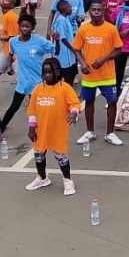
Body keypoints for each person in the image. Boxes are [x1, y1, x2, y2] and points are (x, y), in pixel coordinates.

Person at [0, 14, 54, 143]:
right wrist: (10, 67)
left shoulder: (39, 41)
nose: (24, 29)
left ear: (32, 28)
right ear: (19, 27)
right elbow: (10, 53)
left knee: (37, 109)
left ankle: (42, 130)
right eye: (22, 26)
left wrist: (57, 41)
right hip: (23, 82)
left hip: (37, 82)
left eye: (27, 26)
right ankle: (0, 128)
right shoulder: (14, 41)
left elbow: (54, 50)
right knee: (14, 107)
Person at [24, 58, 81, 196]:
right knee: (39, 155)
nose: (47, 75)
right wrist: (31, 128)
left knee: (61, 157)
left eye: (50, 72)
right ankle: (42, 178)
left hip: (57, 131)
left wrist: (74, 113)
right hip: (40, 130)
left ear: (58, 72)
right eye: (45, 72)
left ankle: (68, 180)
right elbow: (32, 111)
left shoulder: (65, 88)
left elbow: (74, 103)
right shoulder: (38, 89)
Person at [73, 1, 124, 146]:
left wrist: (104, 59)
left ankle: (110, 133)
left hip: (107, 74)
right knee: (89, 101)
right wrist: (83, 64)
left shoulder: (111, 29)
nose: (96, 12)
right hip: (89, 74)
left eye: (99, 10)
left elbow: (118, 49)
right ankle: (90, 131)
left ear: (104, 11)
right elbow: (76, 49)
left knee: (112, 101)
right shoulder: (84, 29)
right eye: (93, 9)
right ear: (89, 11)